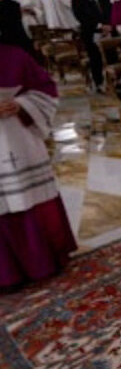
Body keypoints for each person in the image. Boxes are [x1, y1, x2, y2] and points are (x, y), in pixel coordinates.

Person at [0, 42, 77, 288]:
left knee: (28, 197)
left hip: (17, 135)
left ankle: (43, 260)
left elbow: (46, 89)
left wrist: (21, 105)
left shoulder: (13, 54)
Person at [72, 0, 113, 92]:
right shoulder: (77, 1)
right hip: (91, 33)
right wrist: (100, 26)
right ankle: (99, 82)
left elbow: (110, 14)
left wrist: (109, 26)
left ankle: (113, 81)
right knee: (95, 59)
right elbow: (82, 18)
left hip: (108, 32)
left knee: (111, 56)